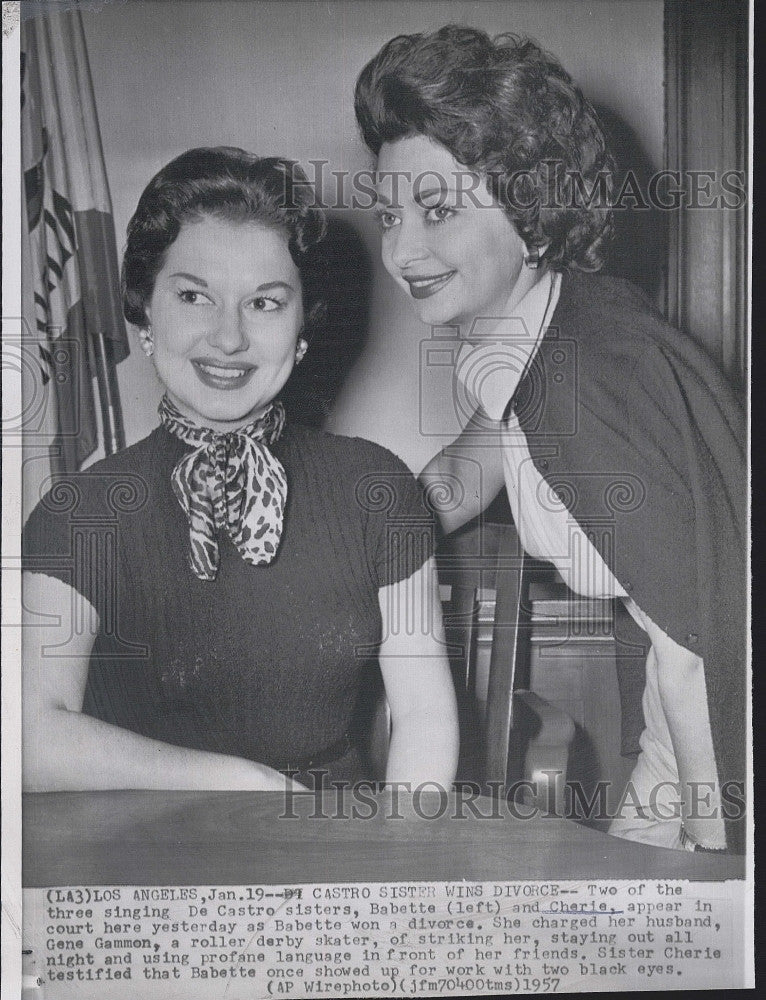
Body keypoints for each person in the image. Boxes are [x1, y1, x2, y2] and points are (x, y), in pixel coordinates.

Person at [354, 26, 746, 852]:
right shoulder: (536, 334)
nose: (400, 250)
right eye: (390, 213)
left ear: (533, 216)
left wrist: (721, 861)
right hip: (677, 703)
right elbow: (466, 474)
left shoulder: (591, 371)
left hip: (721, 712)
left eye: (437, 210)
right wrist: (346, 540)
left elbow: (698, 650)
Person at [22, 147, 459, 793]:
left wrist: (397, 863)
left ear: (303, 327)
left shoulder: (377, 489)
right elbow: (32, 739)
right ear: (144, 309)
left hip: (331, 841)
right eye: (195, 295)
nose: (228, 339)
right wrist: (243, 782)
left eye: (264, 303)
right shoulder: (81, 513)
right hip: (136, 854)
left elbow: (424, 715)